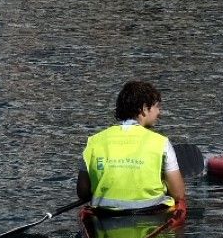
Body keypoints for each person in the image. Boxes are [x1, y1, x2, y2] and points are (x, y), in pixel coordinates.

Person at [76, 80, 187, 216]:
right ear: (144, 109)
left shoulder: (94, 141)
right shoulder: (161, 143)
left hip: (104, 216)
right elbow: (178, 193)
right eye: (157, 107)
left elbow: (83, 193)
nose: (160, 112)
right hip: (152, 216)